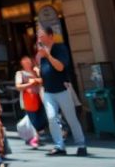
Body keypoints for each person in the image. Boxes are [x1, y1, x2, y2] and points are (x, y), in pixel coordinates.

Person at [36, 26, 86, 156]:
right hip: (48, 91)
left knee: (71, 118)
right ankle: (59, 146)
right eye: (39, 36)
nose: (39, 38)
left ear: (50, 36)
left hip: (62, 90)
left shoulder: (60, 48)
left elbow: (60, 67)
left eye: (41, 35)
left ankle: (81, 144)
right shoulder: (42, 53)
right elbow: (43, 71)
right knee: (51, 118)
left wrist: (48, 55)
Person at [14, 55, 45, 148]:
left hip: (41, 98)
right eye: (24, 62)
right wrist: (30, 84)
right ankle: (34, 138)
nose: (27, 63)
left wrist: (37, 75)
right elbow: (18, 86)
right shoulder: (20, 73)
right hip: (29, 100)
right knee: (32, 120)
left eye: (28, 61)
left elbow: (43, 80)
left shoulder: (36, 71)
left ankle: (35, 136)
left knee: (42, 118)